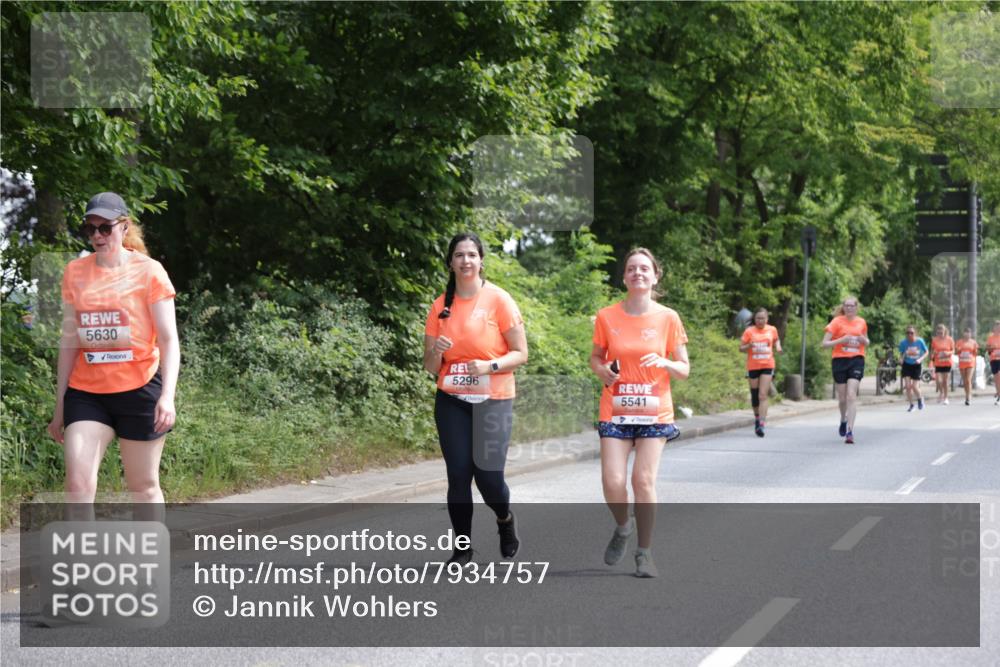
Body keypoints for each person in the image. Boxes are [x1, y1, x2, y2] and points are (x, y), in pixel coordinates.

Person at [47, 192, 179, 509]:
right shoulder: (75, 272)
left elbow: (168, 340)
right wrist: (60, 404)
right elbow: (69, 341)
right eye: (90, 229)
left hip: (139, 388)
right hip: (87, 393)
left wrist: (167, 396)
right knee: (77, 486)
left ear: (124, 227)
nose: (97, 235)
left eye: (105, 228)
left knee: (143, 488)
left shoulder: (150, 271)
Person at [423, 233, 528, 565]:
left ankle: (504, 519)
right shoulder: (440, 306)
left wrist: (489, 365)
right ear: (451, 263)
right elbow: (430, 367)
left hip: (493, 399)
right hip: (452, 400)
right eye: (459, 255)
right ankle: (462, 548)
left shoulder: (499, 300)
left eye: (471, 255)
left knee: (489, 478)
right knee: (458, 475)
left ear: (481, 261)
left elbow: (521, 353)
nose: (465, 260)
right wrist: (437, 351)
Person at [590, 248, 689, 578]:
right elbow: (596, 358)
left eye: (644, 268)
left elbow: (684, 369)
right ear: (624, 277)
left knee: (642, 480)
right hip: (616, 407)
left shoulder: (668, 317)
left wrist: (665, 362)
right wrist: (602, 371)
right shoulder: (607, 316)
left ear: (655, 276)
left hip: (653, 410)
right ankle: (623, 526)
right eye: (632, 268)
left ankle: (644, 554)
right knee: (613, 482)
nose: (638, 273)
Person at [821, 296, 868, 444]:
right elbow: (824, 344)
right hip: (840, 360)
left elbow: (867, 341)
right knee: (842, 399)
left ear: (856, 308)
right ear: (843, 307)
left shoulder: (861, 322)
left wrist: (864, 340)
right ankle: (843, 419)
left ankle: (850, 431)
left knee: (851, 395)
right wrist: (841, 340)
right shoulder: (836, 322)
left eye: (852, 306)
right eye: (847, 306)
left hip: (857, 360)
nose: (849, 308)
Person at [739, 308, 782, 437]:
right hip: (753, 366)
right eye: (758, 318)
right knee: (755, 395)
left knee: (763, 395)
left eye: (763, 318)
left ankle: (762, 423)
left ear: (767, 319)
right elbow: (741, 348)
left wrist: (778, 346)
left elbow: (776, 339)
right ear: (754, 319)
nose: (760, 321)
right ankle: (757, 418)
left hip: (767, 365)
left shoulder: (772, 329)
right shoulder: (749, 331)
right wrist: (748, 346)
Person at [898, 325, 928, 412]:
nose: (909, 335)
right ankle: (911, 405)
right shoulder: (903, 343)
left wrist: (920, 359)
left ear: (915, 333)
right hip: (907, 365)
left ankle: (920, 399)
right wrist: (901, 359)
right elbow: (902, 353)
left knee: (914, 386)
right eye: (907, 333)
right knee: (908, 386)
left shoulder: (920, 341)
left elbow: (926, 352)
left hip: (916, 365)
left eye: (911, 333)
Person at [931, 324, 955, 404]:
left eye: (941, 332)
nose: (940, 334)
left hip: (947, 362)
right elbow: (932, 350)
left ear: (945, 331)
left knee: (945, 381)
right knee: (938, 380)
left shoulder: (950, 339)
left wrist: (947, 353)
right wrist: (933, 353)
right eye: (938, 333)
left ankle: (946, 397)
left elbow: (953, 351)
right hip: (938, 363)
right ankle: (941, 392)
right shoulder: (935, 340)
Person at [956, 328, 979, 406]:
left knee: (968, 379)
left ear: (970, 334)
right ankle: (967, 393)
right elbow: (956, 351)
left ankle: (968, 397)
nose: (967, 334)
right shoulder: (959, 342)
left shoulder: (973, 342)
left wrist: (971, 353)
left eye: (968, 333)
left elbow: (976, 352)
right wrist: (959, 350)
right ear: (963, 334)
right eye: (965, 332)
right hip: (962, 362)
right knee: (965, 380)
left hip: (970, 363)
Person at [987, 320, 1000, 406]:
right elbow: (988, 350)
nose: (998, 328)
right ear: (994, 328)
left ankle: (999, 396)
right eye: (996, 326)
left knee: (999, 375)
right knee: (996, 378)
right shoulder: (990, 338)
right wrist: (992, 348)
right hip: (993, 359)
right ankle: (998, 393)